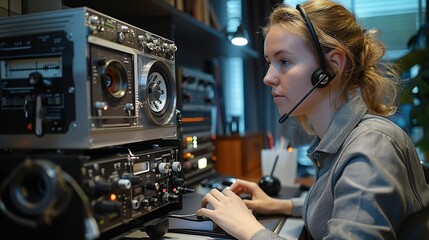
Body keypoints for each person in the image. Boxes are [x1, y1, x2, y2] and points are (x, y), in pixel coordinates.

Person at [196, 0, 429, 239]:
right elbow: (337, 203)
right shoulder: (339, 140)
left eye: (284, 61)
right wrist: (279, 205)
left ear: (332, 68)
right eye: (269, 63)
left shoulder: (371, 147)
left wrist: (249, 229)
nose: (267, 77)